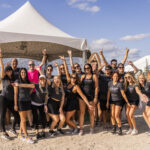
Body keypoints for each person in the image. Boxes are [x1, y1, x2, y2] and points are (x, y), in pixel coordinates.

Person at [60, 56, 94, 135]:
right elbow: (66, 70)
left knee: (67, 119)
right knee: (65, 119)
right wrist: (65, 61)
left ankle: (76, 128)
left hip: (73, 104)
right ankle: (74, 128)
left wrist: (88, 104)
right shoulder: (69, 82)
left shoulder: (76, 87)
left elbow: (83, 96)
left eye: (75, 78)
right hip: (67, 103)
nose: (73, 79)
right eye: (72, 77)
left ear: (76, 79)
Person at [15, 74, 48, 140]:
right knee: (35, 118)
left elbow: (46, 97)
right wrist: (18, 84)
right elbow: (27, 85)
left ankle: (43, 132)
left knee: (43, 117)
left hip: (41, 104)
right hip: (34, 103)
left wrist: (45, 104)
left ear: (45, 80)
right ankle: (37, 132)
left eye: (43, 79)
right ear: (39, 80)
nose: (42, 80)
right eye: (40, 79)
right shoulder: (36, 85)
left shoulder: (47, 87)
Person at [0, 48, 19, 139]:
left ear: (11, 70)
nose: (8, 71)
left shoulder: (14, 78)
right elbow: (2, 66)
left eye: (10, 70)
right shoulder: (3, 78)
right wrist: (0, 56)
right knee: (2, 115)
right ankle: (4, 132)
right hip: (3, 98)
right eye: (7, 70)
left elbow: (16, 88)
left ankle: (12, 128)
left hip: (11, 99)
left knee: (16, 115)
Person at [27, 49, 47, 128]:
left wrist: (44, 55)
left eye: (32, 64)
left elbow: (42, 63)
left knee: (39, 109)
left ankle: (38, 122)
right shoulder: (27, 72)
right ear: (28, 65)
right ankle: (32, 124)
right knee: (31, 110)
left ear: (34, 65)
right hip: (31, 92)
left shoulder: (36, 69)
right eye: (30, 64)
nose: (31, 66)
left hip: (38, 92)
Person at [14, 68, 34, 143]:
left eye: (24, 72)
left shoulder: (27, 81)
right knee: (23, 120)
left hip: (27, 101)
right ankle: (26, 136)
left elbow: (32, 86)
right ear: (20, 73)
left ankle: (20, 134)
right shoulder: (17, 81)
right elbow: (15, 94)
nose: (23, 74)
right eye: (22, 72)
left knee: (23, 119)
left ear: (26, 73)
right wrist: (15, 104)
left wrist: (28, 94)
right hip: (20, 102)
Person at [80, 63, 99, 134]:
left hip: (91, 96)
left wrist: (96, 97)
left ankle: (92, 128)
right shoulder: (82, 76)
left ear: (90, 68)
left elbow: (97, 87)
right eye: (85, 68)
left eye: (88, 68)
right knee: (82, 113)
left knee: (91, 113)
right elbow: (79, 85)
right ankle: (81, 129)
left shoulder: (94, 76)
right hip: (82, 98)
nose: (86, 69)